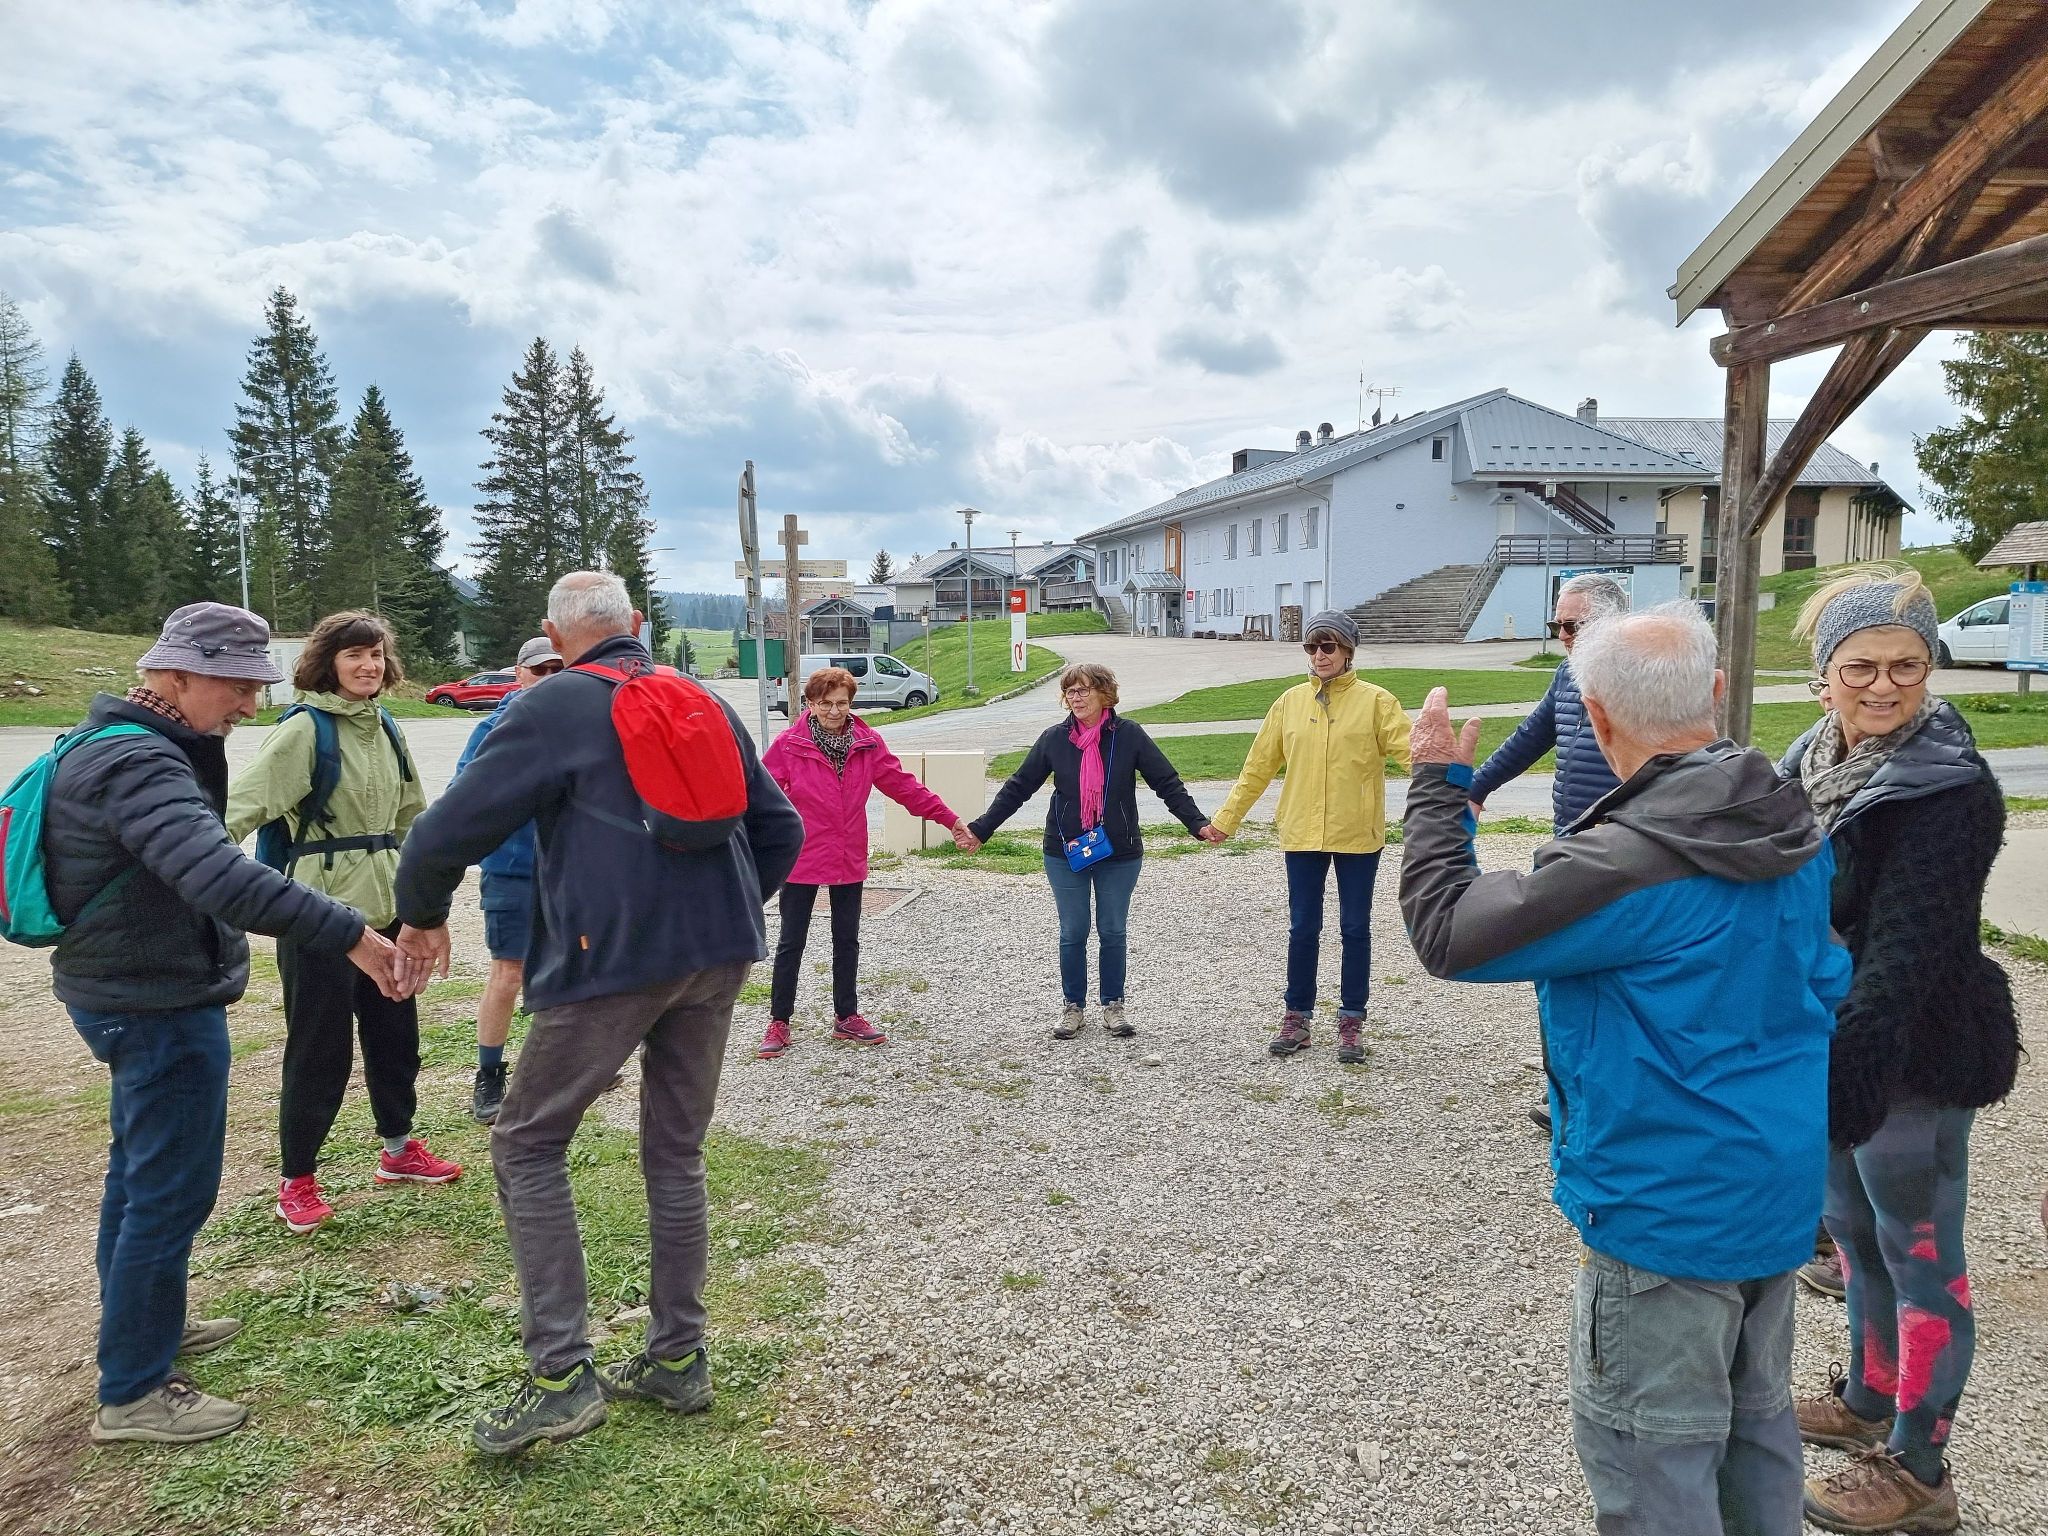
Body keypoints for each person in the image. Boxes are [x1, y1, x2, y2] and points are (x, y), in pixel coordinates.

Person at [1399, 602, 1850, 1536]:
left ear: (1596, 717)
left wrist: (1439, 791)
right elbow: (1827, 979)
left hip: (1661, 1209)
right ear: (1715, 692)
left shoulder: (1627, 862)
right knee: (1757, 1430)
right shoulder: (1788, 823)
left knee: (1655, 1461)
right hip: (1773, 1187)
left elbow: (1451, 933)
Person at [391, 571, 804, 1456]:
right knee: (676, 1150)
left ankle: (561, 1376)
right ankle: (678, 1357)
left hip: (610, 960)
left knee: (527, 1141)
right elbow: (782, 829)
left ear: (553, 635)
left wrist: (420, 915)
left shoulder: (550, 705)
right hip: (718, 955)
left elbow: (441, 833)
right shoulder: (703, 699)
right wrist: (723, 913)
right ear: (639, 625)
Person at [43, 602, 402, 1444]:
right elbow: (219, 876)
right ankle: (135, 1390)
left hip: (133, 990)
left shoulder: (125, 743)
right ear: (175, 675)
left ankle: (147, 1328)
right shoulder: (140, 761)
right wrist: (351, 932)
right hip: (153, 1001)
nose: (248, 704)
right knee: (168, 1190)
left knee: (139, 1177)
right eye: (236, 686)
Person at [1780, 568, 2018, 1536]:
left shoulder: (1951, 788)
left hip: (1910, 1051)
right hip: (1837, 1045)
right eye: (1861, 666)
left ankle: (1921, 1469)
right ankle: (1870, 1395)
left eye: (1906, 666)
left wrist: (1847, 1077)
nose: (1883, 686)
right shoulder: (1803, 765)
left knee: (1920, 1257)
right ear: (1824, 676)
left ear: (1929, 669)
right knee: (1851, 1238)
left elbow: (1904, 952)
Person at [226, 611, 459, 1234]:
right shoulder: (305, 729)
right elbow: (238, 810)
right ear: (327, 662)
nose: (368, 665)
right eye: (354, 654)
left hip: (387, 914)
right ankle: (297, 1179)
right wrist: (197, 875)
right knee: (319, 1050)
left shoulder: (385, 726)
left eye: (376, 654)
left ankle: (398, 1151)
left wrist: (423, 904)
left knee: (396, 1040)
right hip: (319, 921)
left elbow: (412, 820)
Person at [963, 663, 1217, 1039]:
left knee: (1112, 930)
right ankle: (1073, 1007)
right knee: (1073, 930)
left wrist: (1197, 823)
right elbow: (1018, 787)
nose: (1076, 698)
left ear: (1104, 693)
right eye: (1070, 691)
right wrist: (981, 829)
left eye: (1083, 690)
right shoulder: (1054, 739)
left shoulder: (1129, 735)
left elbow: (1166, 782)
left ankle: (1113, 1005)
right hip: (1065, 851)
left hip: (1119, 851)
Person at [1207, 610, 1410, 1062]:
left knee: (1355, 928)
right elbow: (1257, 767)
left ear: (1348, 651)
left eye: (1328, 646)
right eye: (1312, 646)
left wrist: (1456, 791)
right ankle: (1296, 1018)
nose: (1319, 654)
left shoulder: (1378, 702)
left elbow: (1414, 754)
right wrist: (1226, 819)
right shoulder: (1288, 703)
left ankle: (1352, 1021)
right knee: (1303, 927)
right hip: (1301, 832)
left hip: (1358, 834)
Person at [1468, 572, 1628, 1132]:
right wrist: (1476, 788)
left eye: (1572, 625)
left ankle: (1604, 1098)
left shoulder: (1638, 676)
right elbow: (1531, 737)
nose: (1562, 634)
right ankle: (1563, 1089)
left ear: (1610, 622)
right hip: (1567, 845)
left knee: (1608, 978)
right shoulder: (1567, 675)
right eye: (1557, 624)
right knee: (1555, 970)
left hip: (1622, 849)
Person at [757, 666, 970, 1058]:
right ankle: (779, 1021)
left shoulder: (868, 743)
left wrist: (950, 820)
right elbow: (762, 797)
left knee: (847, 939)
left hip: (847, 853)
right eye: (826, 703)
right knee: (791, 940)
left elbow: (904, 787)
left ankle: (846, 1015)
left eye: (842, 703)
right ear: (810, 703)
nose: (834, 711)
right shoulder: (789, 745)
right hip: (802, 855)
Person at [452, 636, 564, 1122]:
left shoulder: (578, 725)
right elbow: (462, 796)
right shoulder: (493, 728)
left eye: (558, 669)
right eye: (539, 670)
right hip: (512, 871)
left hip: (569, 873)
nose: (548, 678)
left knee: (569, 969)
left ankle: (565, 1067)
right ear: (517, 674)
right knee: (509, 973)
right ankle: (489, 1075)